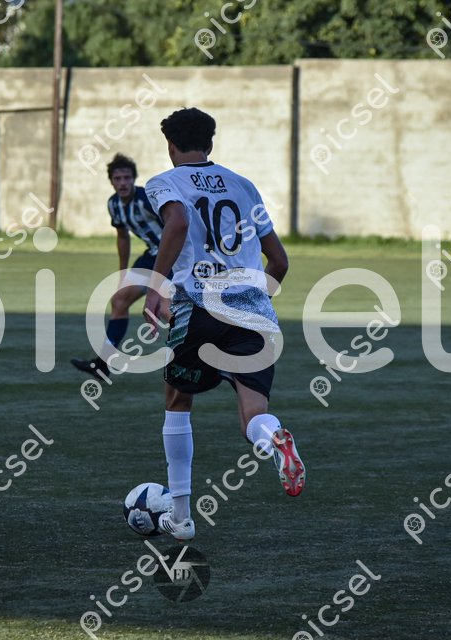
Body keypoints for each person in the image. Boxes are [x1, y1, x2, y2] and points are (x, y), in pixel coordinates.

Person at [143, 107, 306, 542]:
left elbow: (178, 222)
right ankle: (274, 439)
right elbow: (279, 261)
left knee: (178, 401)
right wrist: (254, 299)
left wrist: (156, 286)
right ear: (210, 143)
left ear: (170, 146)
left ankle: (181, 518)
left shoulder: (164, 182)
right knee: (255, 415)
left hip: (199, 305)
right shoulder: (244, 185)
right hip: (254, 313)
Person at [71, 153, 165, 379]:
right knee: (119, 301)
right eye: (118, 178)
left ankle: (203, 356)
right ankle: (103, 364)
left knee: (167, 310)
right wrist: (123, 273)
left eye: (127, 178)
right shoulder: (114, 204)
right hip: (150, 257)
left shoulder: (146, 200)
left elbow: (176, 225)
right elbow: (123, 237)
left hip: (173, 257)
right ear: (111, 181)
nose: (123, 183)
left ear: (134, 179)